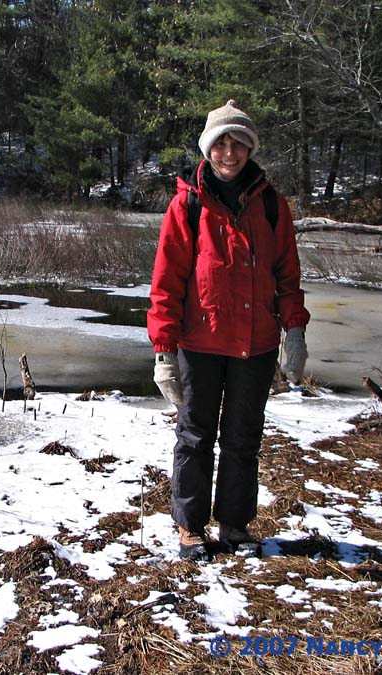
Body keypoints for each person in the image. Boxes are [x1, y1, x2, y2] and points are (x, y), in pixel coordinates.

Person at [147, 100, 310, 562]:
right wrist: (164, 351)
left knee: (243, 438)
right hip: (199, 345)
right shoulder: (188, 204)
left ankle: (235, 526)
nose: (229, 151)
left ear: (249, 148)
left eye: (238, 142)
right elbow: (166, 282)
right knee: (195, 436)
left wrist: (293, 332)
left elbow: (287, 276)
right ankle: (191, 527)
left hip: (255, 346)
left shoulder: (273, 206)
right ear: (208, 148)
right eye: (220, 142)